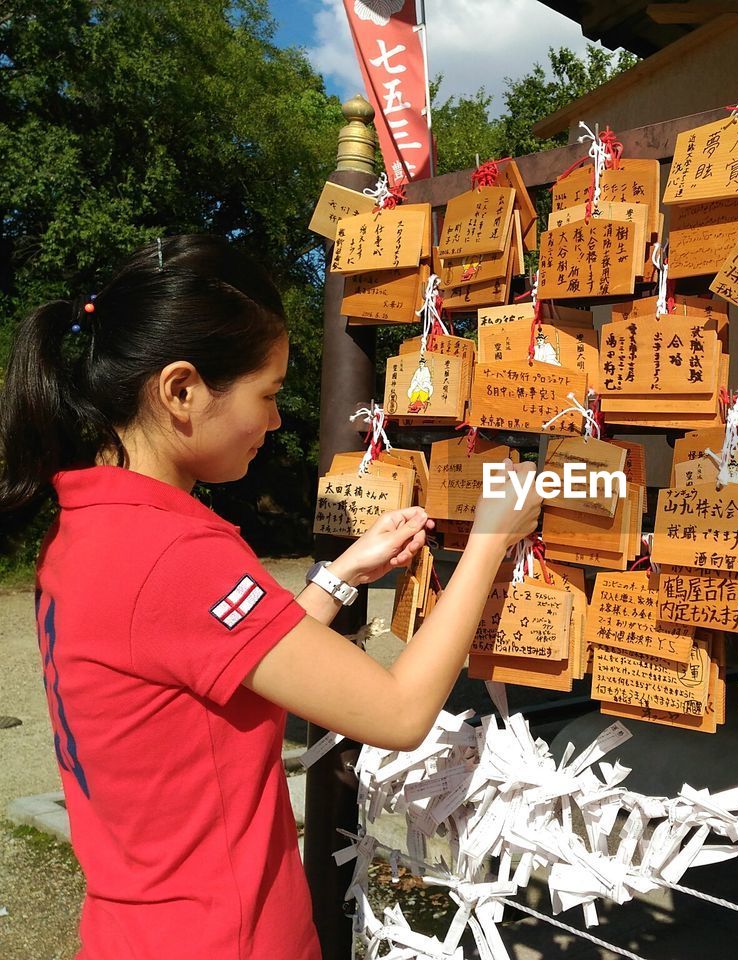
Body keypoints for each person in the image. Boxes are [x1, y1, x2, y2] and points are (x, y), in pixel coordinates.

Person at [0, 235, 542, 960]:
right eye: (269, 394)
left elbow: (219, 659)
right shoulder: (177, 556)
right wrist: (488, 542)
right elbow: (400, 713)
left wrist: (344, 571)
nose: (277, 421)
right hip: (225, 938)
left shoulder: (91, 527)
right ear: (181, 390)